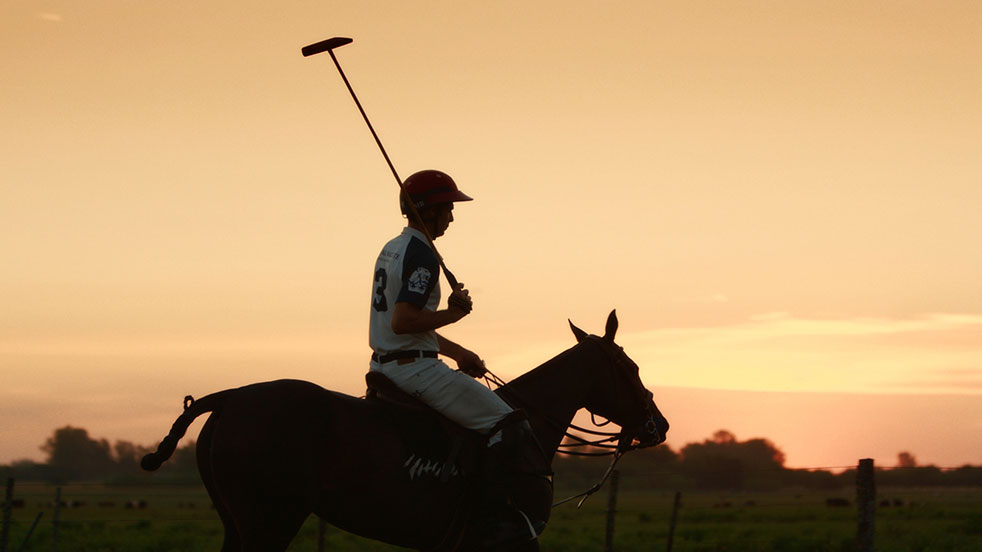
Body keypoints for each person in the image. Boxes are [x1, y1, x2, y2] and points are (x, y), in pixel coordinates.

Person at [368, 169, 541, 548]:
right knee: (508, 423)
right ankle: (491, 519)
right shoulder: (423, 256)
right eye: (447, 208)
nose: (452, 216)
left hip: (387, 362)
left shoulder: (392, 247)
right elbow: (403, 321)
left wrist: (458, 351)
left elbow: (405, 326)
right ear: (428, 211)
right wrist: (454, 314)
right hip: (414, 370)